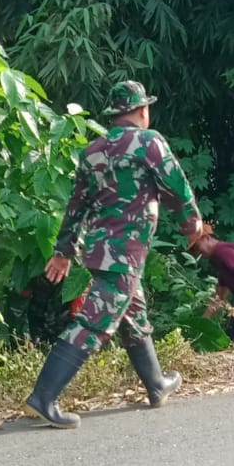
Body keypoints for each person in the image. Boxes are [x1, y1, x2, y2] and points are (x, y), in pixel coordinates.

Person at [26, 80, 203, 428]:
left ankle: (156, 386)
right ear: (142, 111)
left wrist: (64, 251)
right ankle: (43, 397)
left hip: (99, 249)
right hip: (125, 251)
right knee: (94, 322)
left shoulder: (92, 151)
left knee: (133, 314)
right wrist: (192, 224)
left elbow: (77, 206)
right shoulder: (149, 142)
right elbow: (176, 186)